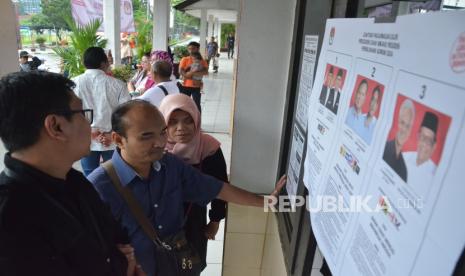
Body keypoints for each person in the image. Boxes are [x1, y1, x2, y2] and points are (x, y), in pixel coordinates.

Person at [88, 100, 286, 276]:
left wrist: (268, 202)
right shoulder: (99, 187)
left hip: (176, 265)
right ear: (118, 139)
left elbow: (218, 189)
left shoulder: (170, 166)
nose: (159, 142)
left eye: (162, 132)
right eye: (146, 136)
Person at [0, 71, 145, 276]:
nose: (89, 125)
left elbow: (118, 238)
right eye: (83, 114)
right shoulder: (10, 217)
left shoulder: (74, 181)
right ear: (56, 126)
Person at [159, 94, 227, 272]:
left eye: (188, 121)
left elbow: (221, 187)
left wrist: (215, 221)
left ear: (196, 120)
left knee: (190, 263)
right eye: (172, 122)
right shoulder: (155, 147)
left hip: (193, 217)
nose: (181, 128)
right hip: (159, 218)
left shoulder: (207, 147)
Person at [73, 47, 131, 176]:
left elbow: (69, 112)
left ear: (84, 63)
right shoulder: (117, 84)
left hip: (86, 137)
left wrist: (91, 132)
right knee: (114, 174)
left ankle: (91, 196)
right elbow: (126, 113)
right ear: (103, 63)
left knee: (90, 174)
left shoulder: (73, 83)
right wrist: (111, 133)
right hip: (111, 138)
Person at [404, 111, 438, 199]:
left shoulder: (435, 175)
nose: (423, 144)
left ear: (434, 146)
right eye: (422, 137)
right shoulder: (403, 157)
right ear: (417, 137)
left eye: (428, 140)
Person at [383, 99, 416, 182]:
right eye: (402, 122)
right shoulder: (383, 148)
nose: (404, 129)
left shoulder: (403, 170)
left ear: (410, 131)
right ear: (397, 122)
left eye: (408, 126)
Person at [179, 41, 209, 112]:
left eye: (193, 48)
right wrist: (187, 75)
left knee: (197, 104)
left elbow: (206, 72)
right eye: (189, 49)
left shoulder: (202, 61)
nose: (191, 50)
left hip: (196, 86)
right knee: (184, 104)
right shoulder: (185, 59)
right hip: (184, 86)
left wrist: (192, 73)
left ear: (197, 49)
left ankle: (198, 121)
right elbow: (180, 71)